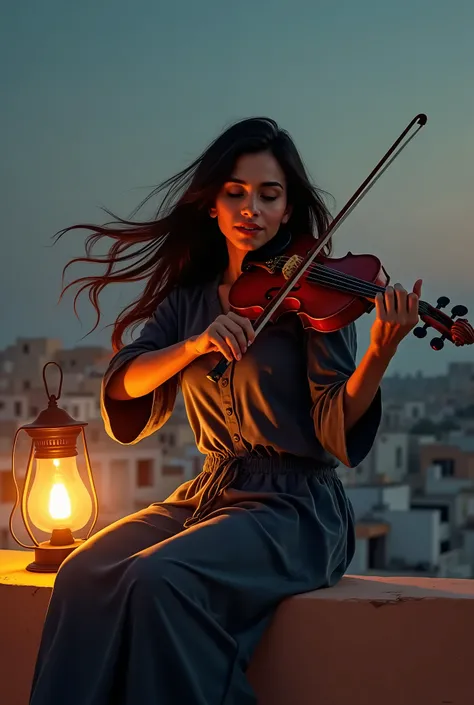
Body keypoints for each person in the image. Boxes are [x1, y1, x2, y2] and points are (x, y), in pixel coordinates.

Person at [29, 117, 421, 705]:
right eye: (235, 192)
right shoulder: (190, 300)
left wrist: (379, 351)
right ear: (212, 204)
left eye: (269, 194)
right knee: (80, 575)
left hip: (296, 509)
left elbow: (334, 430)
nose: (251, 209)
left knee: (156, 579)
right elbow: (125, 383)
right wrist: (193, 345)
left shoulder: (311, 296)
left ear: (288, 210)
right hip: (208, 494)